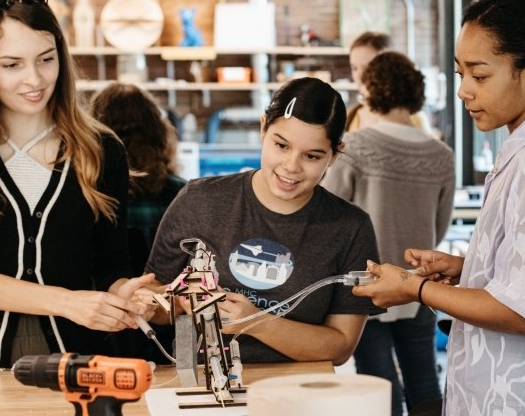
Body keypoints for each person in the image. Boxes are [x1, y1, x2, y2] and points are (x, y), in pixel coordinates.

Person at [353, 0, 525, 415]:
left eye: (480, 75)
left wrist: (417, 288)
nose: (464, 92)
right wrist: (465, 267)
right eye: (460, 74)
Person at [0, 0, 154, 370]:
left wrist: (124, 291)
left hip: (81, 360)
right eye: (12, 65)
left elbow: (110, 261)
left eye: (46, 59)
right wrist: (65, 301)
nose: (35, 79)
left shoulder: (101, 149)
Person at [144, 77, 381, 364]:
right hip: (202, 388)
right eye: (281, 145)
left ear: (334, 155)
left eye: (312, 156)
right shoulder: (198, 200)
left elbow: (341, 346)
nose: (291, 166)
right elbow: (155, 305)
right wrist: (174, 300)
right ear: (262, 129)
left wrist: (256, 322)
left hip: (298, 394)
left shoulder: (350, 227)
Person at [323, 50, 455, 415]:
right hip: (420, 284)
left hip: (368, 286)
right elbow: (440, 225)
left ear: (370, 92)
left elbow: (327, 214)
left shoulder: (356, 147)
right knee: (425, 381)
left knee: (380, 386)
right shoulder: (441, 155)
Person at [90, 82, 186, 363]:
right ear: (159, 132)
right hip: (167, 328)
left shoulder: (90, 195)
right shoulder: (182, 193)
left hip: (101, 330)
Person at [90, 82, 186, 272]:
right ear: (158, 131)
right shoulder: (182, 193)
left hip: (97, 299)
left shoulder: (84, 190)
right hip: (163, 298)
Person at [346, 31, 434, 135]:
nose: (359, 76)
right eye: (354, 68)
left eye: (368, 67)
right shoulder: (348, 117)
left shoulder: (413, 119)